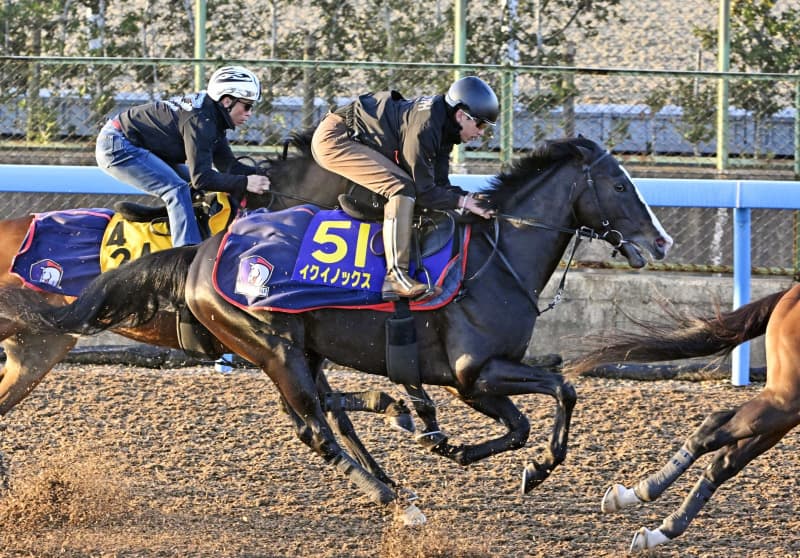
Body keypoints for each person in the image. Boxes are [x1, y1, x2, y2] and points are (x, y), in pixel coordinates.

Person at [311, 76, 498, 301]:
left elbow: (440, 186)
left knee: (407, 187)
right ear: (461, 115)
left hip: (357, 135)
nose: (481, 133)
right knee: (401, 188)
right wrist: (464, 202)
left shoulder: (444, 127)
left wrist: (469, 198)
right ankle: (395, 277)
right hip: (336, 139)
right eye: (480, 124)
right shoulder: (426, 126)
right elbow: (424, 192)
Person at [95, 65, 272, 247]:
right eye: (247, 106)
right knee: (177, 189)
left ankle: (188, 232)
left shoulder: (213, 116)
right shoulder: (201, 121)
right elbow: (201, 178)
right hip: (117, 145)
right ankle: (185, 251)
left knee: (198, 187)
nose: (250, 113)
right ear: (227, 101)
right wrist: (245, 182)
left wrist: (269, 175)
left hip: (135, 143)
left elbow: (229, 167)